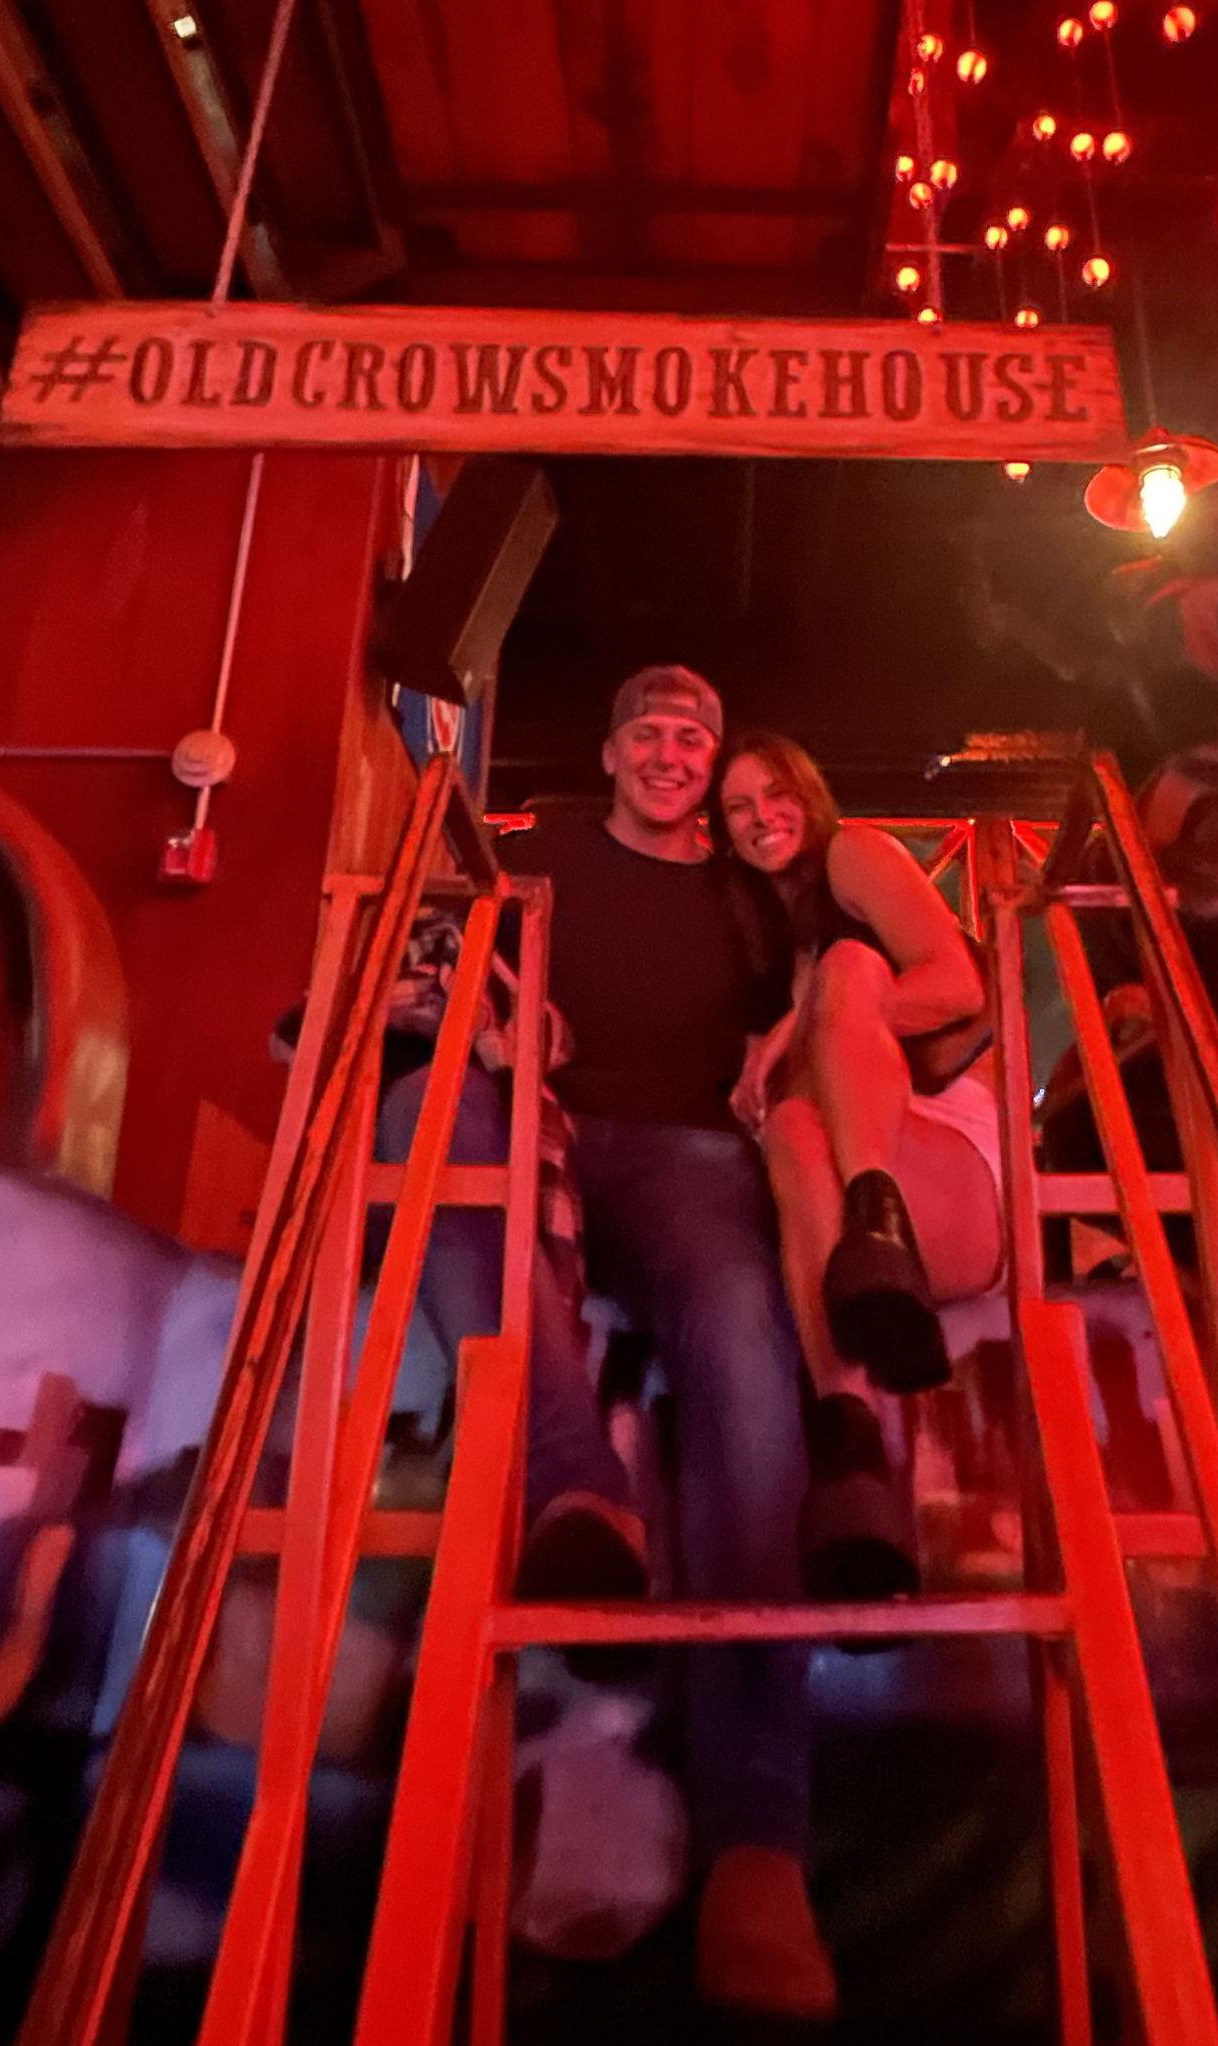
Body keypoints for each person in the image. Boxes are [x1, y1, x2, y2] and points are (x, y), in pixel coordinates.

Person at [498, 667, 835, 2023]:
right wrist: (500, 1012)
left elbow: (832, 971)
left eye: (693, 736)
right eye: (646, 730)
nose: (671, 751)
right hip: (544, 1123)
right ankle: (573, 1490)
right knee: (461, 1195)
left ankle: (759, 1832)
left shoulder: (750, 889)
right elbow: (452, 957)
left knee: (744, 1333)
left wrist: (791, 1046)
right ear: (608, 751)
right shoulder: (539, 855)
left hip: (691, 1153)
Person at [713, 733, 1004, 1601]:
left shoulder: (854, 856)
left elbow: (960, 986)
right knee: (792, 1127)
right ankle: (851, 1449)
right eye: (738, 808)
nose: (763, 818)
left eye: (777, 794)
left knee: (850, 967)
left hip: (944, 1161)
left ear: (810, 792)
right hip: (837, 1208)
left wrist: (809, 1023)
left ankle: (877, 1217)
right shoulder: (768, 941)